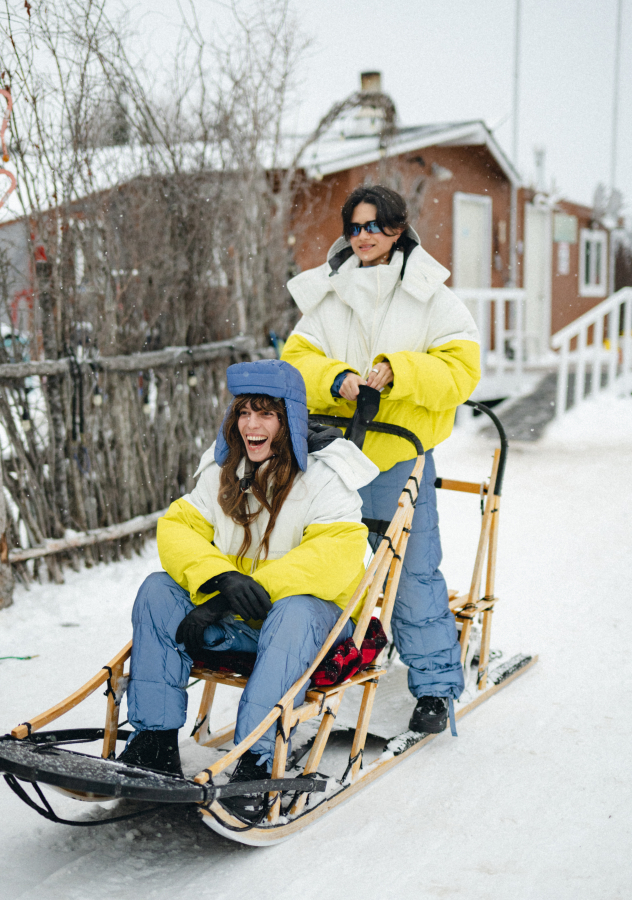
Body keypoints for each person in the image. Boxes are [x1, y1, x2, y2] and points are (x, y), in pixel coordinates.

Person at [119, 359, 378, 818]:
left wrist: (237, 593)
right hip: (239, 620)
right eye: (244, 412)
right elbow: (178, 528)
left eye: (266, 414)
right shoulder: (223, 470)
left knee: (294, 610)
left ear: (288, 419)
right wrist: (219, 579)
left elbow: (333, 558)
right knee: (158, 589)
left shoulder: (326, 477)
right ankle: (155, 743)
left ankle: (257, 761)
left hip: (312, 627)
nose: (251, 425)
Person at [281, 184, 481, 734]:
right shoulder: (328, 294)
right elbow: (296, 360)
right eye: (354, 227)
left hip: (399, 453)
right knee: (330, 569)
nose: (362, 236)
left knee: (412, 571)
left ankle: (435, 686)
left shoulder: (431, 296)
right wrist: (335, 378)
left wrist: (401, 370)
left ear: (396, 229)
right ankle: (326, 668)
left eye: (373, 226)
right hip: (335, 456)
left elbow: (462, 370)